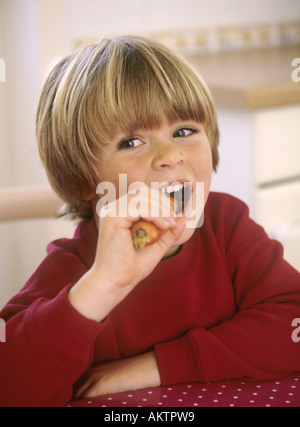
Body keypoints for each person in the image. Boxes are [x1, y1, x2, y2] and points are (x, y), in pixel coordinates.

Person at [0, 35, 299, 407]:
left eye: (184, 131)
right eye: (131, 142)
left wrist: (156, 367)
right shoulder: (73, 271)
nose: (171, 155)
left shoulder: (227, 225)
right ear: (84, 180)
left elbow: (292, 326)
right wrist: (103, 285)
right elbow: (9, 388)